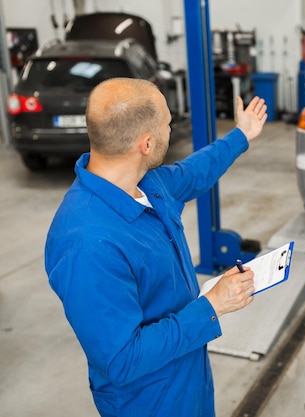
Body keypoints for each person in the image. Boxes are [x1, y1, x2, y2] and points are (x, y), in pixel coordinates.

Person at [44, 77, 267, 417]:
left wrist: (241, 135)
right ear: (146, 144)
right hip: (148, 401)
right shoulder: (87, 244)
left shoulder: (147, 183)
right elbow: (121, 360)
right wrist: (213, 305)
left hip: (186, 374)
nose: (171, 128)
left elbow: (195, 171)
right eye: (167, 123)